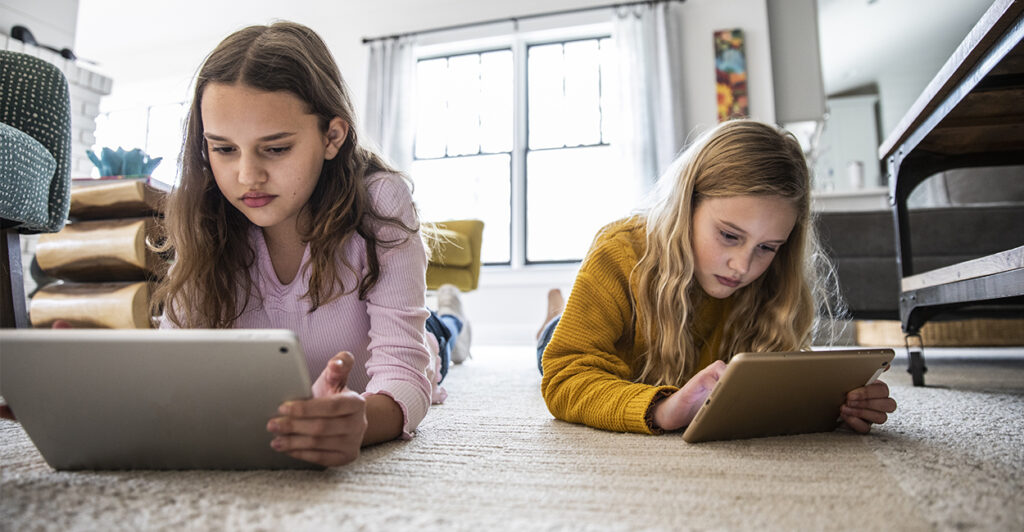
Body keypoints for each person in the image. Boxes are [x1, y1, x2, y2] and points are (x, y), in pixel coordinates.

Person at [148, 22, 470, 466]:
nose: (246, 177)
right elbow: (172, 364)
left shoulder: (381, 201)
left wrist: (360, 423)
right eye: (223, 149)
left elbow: (403, 374)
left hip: (410, 345)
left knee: (441, 339)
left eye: (276, 149)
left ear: (331, 137)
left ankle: (452, 317)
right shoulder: (205, 213)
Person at [537, 119, 896, 435]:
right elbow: (565, 375)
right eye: (729, 235)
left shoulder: (771, 284)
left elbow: (772, 388)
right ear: (686, 204)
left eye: (767, 247)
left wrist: (839, 404)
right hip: (605, 342)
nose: (742, 267)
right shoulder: (619, 251)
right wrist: (662, 410)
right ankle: (556, 314)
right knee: (551, 341)